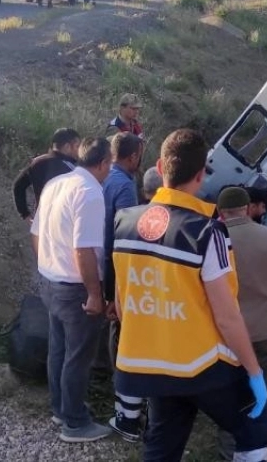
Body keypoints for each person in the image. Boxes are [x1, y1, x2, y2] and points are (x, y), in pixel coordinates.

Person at [112, 129, 267, 461]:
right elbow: (227, 318)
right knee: (255, 431)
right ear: (201, 175)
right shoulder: (207, 232)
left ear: (159, 166)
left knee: (162, 445)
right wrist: (255, 372)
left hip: (152, 364)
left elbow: (123, 302)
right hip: (202, 368)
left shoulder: (123, 222)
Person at [31, 136, 113, 443]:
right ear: (103, 163)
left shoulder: (57, 183)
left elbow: (36, 232)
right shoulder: (90, 192)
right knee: (77, 356)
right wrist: (94, 293)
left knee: (59, 350)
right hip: (75, 287)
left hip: (50, 281)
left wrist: (47, 264)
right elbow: (84, 250)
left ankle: (62, 408)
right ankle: (76, 423)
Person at [216, 187, 267, 457]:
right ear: (247, 208)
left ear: (220, 211)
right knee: (265, 388)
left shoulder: (212, 240)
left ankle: (229, 446)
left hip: (224, 333)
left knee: (228, 390)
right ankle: (264, 442)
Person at [101, 132, 145, 442]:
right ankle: (129, 411)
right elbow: (124, 239)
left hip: (98, 266)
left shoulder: (100, 178)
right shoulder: (126, 187)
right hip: (116, 272)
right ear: (132, 157)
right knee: (125, 340)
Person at [13, 128, 81, 223]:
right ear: (67, 147)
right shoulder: (71, 170)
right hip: (63, 227)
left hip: (41, 224)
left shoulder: (37, 162)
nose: (79, 151)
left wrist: (25, 215)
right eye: (77, 146)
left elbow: (18, 186)